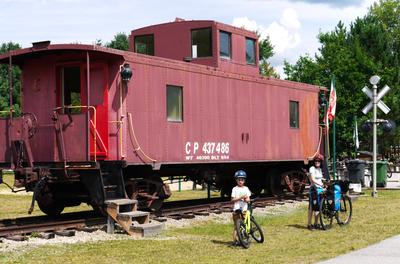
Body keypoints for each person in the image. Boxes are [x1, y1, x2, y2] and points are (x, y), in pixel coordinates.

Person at [231, 170, 251, 245]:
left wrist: (247, 200)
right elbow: (232, 199)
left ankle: (244, 237)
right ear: (236, 180)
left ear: (244, 181)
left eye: (242, 180)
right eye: (239, 179)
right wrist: (240, 198)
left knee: (245, 224)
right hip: (236, 209)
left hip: (244, 209)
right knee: (236, 226)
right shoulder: (234, 189)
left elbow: (248, 198)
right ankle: (235, 241)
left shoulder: (246, 188)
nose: (240, 181)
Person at [307, 154, 325, 230]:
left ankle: (316, 223)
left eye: (319, 161)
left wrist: (325, 183)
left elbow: (321, 179)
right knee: (311, 207)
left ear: (321, 162)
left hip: (320, 190)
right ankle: (309, 224)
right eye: (316, 161)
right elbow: (313, 180)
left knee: (318, 207)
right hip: (314, 190)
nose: (317, 162)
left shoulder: (320, 170)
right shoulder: (312, 168)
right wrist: (320, 184)